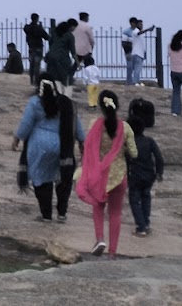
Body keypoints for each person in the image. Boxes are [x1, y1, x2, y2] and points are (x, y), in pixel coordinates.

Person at [13, 79, 84, 223]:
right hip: (62, 146)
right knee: (63, 179)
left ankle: (46, 215)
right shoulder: (65, 103)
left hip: (38, 146)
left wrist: (17, 138)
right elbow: (75, 122)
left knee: (41, 179)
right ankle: (62, 213)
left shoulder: (34, 102)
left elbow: (26, 123)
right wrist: (82, 140)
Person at [76, 89, 137, 257]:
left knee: (98, 206)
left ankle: (100, 239)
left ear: (101, 108)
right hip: (118, 177)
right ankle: (113, 252)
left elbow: (88, 146)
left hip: (98, 176)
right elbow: (134, 153)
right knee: (115, 213)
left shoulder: (94, 124)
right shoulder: (125, 127)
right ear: (116, 106)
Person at [125, 97, 164, 237]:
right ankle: (146, 223)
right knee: (146, 197)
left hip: (135, 176)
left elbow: (125, 160)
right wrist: (159, 172)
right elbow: (159, 157)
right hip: (149, 175)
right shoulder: (149, 141)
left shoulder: (128, 142)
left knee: (134, 200)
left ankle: (140, 227)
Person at [46, 19, 78, 87]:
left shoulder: (55, 33)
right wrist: (77, 62)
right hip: (62, 58)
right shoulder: (69, 36)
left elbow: (50, 43)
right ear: (71, 26)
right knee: (63, 77)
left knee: (52, 76)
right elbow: (73, 51)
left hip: (50, 56)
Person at [123, 18, 153, 86]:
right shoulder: (135, 31)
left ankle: (135, 81)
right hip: (137, 53)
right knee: (137, 69)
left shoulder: (139, 33)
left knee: (136, 69)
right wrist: (148, 30)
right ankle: (135, 82)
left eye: (142, 24)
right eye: (140, 24)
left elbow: (142, 45)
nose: (142, 25)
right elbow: (139, 33)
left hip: (140, 53)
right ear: (136, 25)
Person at [24, 13, 48, 87]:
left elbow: (27, 30)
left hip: (31, 48)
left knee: (31, 65)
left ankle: (31, 80)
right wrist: (41, 28)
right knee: (37, 66)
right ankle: (36, 81)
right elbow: (46, 37)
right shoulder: (38, 28)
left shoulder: (27, 28)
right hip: (38, 48)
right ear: (37, 19)